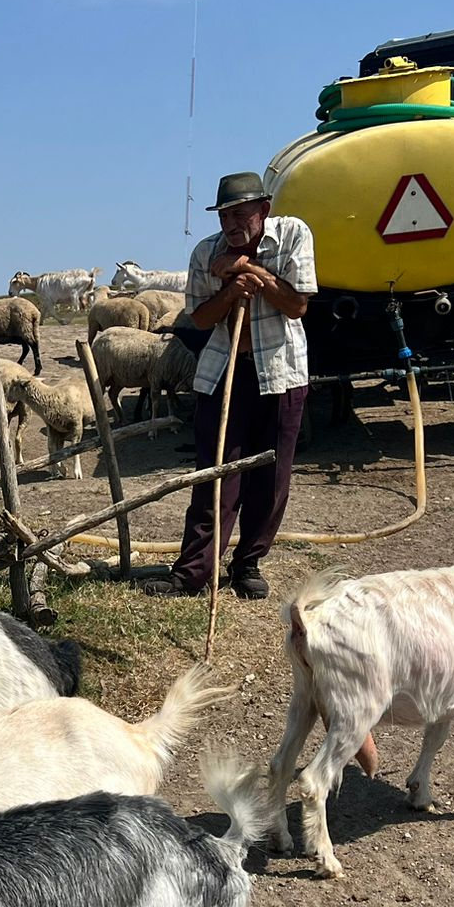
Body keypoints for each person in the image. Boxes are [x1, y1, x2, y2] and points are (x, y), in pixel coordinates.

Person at [141, 171, 316, 601]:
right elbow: (200, 319)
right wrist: (230, 288)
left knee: (271, 478)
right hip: (226, 372)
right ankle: (192, 573)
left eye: (240, 215)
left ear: (264, 210)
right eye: (224, 217)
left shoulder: (293, 235)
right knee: (216, 475)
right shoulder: (206, 253)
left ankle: (248, 564)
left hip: (281, 373)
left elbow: (297, 304)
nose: (231, 225)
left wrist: (248, 269)